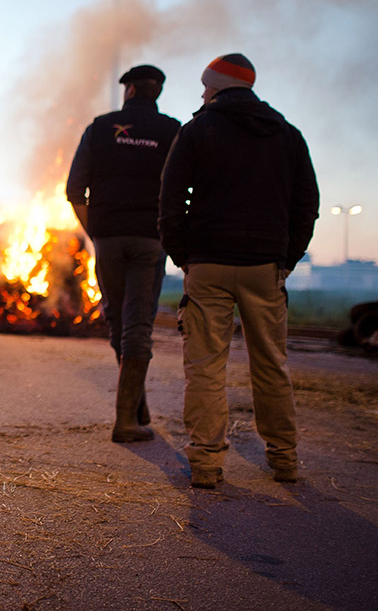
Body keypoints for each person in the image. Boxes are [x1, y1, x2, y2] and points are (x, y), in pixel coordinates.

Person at [158, 53, 318, 489]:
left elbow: (170, 200)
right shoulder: (288, 135)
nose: (201, 92)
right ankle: (283, 459)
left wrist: (182, 255)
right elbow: (307, 205)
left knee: (206, 366)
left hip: (208, 263)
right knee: (271, 365)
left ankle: (207, 464)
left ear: (218, 86)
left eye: (205, 85)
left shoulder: (197, 131)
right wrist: (287, 258)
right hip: (264, 266)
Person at [67, 65, 180, 443]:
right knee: (138, 324)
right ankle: (128, 417)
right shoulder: (172, 131)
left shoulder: (100, 127)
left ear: (129, 90)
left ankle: (134, 408)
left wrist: (94, 231)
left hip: (109, 237)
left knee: (117, 318)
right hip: (150, 239)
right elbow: (184, 188)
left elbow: (74, 189)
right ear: (156, 93)